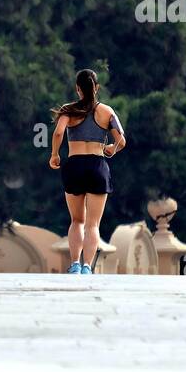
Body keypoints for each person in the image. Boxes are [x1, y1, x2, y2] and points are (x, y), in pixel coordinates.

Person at [48, 69, 125, 275]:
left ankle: (74, 264)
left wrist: (55, 155)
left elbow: (58, 132)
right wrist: (112, 148)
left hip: (74, 165)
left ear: (77, 88)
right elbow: (121, 140)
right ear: (97, 88)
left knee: (77, 221)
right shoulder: (107, 112)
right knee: (93, 224)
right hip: (97, 166)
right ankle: (87, 267)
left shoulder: (68, 110)